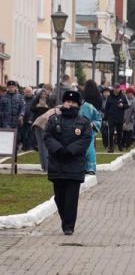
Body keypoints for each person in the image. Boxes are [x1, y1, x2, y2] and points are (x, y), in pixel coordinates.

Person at [42, 90, 92, 235]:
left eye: (73, 102)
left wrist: (70, 150)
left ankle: (69, 226)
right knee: (59, 197)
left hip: (74, 163)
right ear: (63, 102)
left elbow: (85, 139)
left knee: (71, 198)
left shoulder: (83, 122)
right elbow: (48, 136)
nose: (70, 104)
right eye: (67, 101)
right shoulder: (54, 119)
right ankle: (65, 219)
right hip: (57, 163)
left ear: (78, 104)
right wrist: (58, 149)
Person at [79, 81, 103, 175]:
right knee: (91, 147)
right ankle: (91, 167)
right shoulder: (98, 97)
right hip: (91, 124)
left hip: (82, 124)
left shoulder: (85, 102)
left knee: (83, 147)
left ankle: (84, 166)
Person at [103, 86, 128, 153]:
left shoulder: (123, 97)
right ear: (113, 89)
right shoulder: (110, 97)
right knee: (110, 132)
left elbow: (127, 105)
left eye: (117, 88)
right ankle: (111, 147)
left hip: (119, 117)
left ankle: (119, 144)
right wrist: (105, 118)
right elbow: (106, 108)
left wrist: (122, 105)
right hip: (111, 118)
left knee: (119, 133)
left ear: (119, 89)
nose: (116, 89)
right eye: (115, 88)